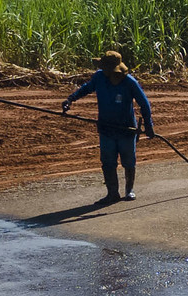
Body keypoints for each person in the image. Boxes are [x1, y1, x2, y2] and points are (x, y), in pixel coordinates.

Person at [63, 50, 154, 202]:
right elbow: (86, 88)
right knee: (108, 161)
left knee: (128, 160)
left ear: (111, 70)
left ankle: (129, 189)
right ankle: (112, 193)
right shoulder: (99, 77)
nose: (101, 69)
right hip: (106, 129)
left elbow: (144, 104)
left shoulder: (129, 83)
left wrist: (149, 125)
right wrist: (70, 99)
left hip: (126, 129)